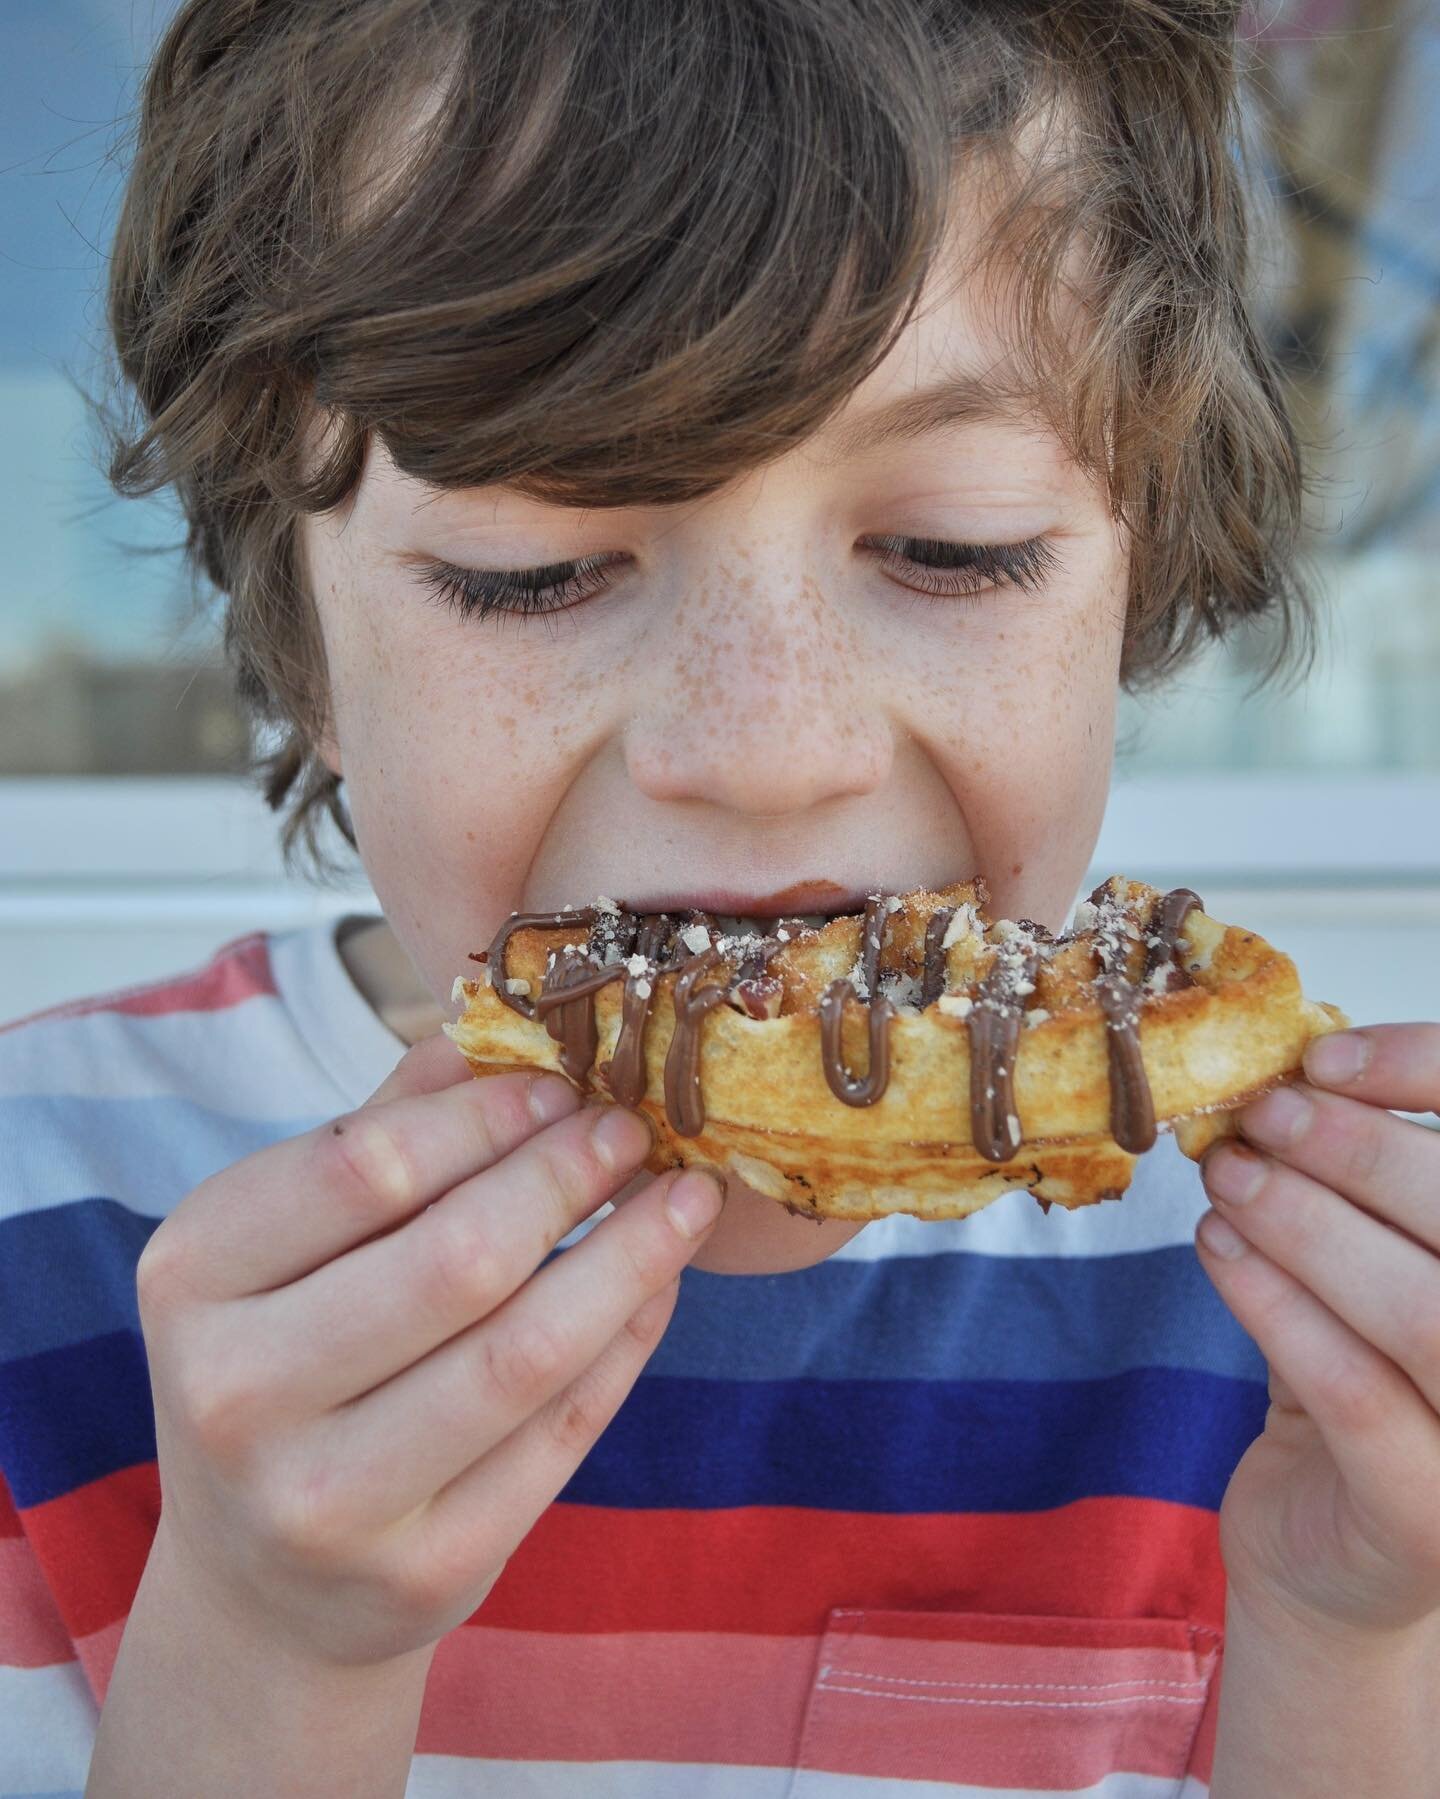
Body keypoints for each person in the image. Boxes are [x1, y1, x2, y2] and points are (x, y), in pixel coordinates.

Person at [3, 1, 1438, 1793]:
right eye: (531, 571)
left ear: (1136, 577)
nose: (768, 750)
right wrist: (260, 1646)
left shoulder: (1294, 1321)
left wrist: (1357, 1634)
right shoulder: (36, 1231)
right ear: (299, 639)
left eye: (956, 547)